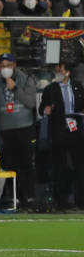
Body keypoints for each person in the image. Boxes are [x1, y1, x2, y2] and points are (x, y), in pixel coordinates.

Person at [0, 53, 37, 210]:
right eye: (2, 66)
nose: (5, 68)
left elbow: (30, 103)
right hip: (6, 131)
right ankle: (13, 198)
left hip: (25, 128)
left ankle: (29, 198)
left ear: (15, 65)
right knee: (9, 165)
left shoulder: (26, 79)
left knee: (26, 165)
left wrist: (14, 88)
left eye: (8, 65)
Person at [40, 61, 84, 211]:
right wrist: (46, 110)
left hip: (76, 130)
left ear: (68, 72)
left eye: (61, 69)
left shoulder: (77, 86)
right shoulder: (50, 89)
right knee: (60, 166)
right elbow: (41, 109)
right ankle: (61, 200)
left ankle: (80, 200)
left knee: (79, 165)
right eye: (56, 68)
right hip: (58, 131)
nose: (57, 71)